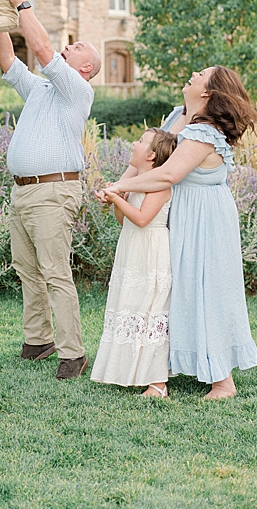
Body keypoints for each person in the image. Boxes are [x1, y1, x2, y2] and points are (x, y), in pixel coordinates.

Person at [103, 67, 257, 400]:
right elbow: (153, 159)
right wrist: (119, 186)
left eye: (201, 74)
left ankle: (223, 381)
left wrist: (120, 187)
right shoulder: (181, 117)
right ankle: (169, 366)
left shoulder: (204, 133)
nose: (192, 73)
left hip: (205, 218)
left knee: (205, 289)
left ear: (208, 92)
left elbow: (168, 174)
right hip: (181, 212)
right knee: (177, 292)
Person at [0, 0, 101, 380]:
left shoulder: (78, 91)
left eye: (77, 47)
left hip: (55, 191)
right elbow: (8, 60)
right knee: (28, 270)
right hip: (23, 193)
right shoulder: (40, 90)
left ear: (85, 67)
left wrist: (23, 4)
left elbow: (40, 48)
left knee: (55, 271)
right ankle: (38, 341)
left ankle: (73, 353)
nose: (69, 46)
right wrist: (0, 18)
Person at [91, 127, 177, 398]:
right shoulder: (137, 180)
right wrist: (117, 200)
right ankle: (131, 370)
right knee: (130, 306)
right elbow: (125, 220)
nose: (133, 144)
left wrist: (117, 195)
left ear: (151, 155)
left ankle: (158, 383)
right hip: (131, 248)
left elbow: (142, 219)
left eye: (140, 141)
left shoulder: (160, 185)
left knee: (151, 310)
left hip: (151, 251)